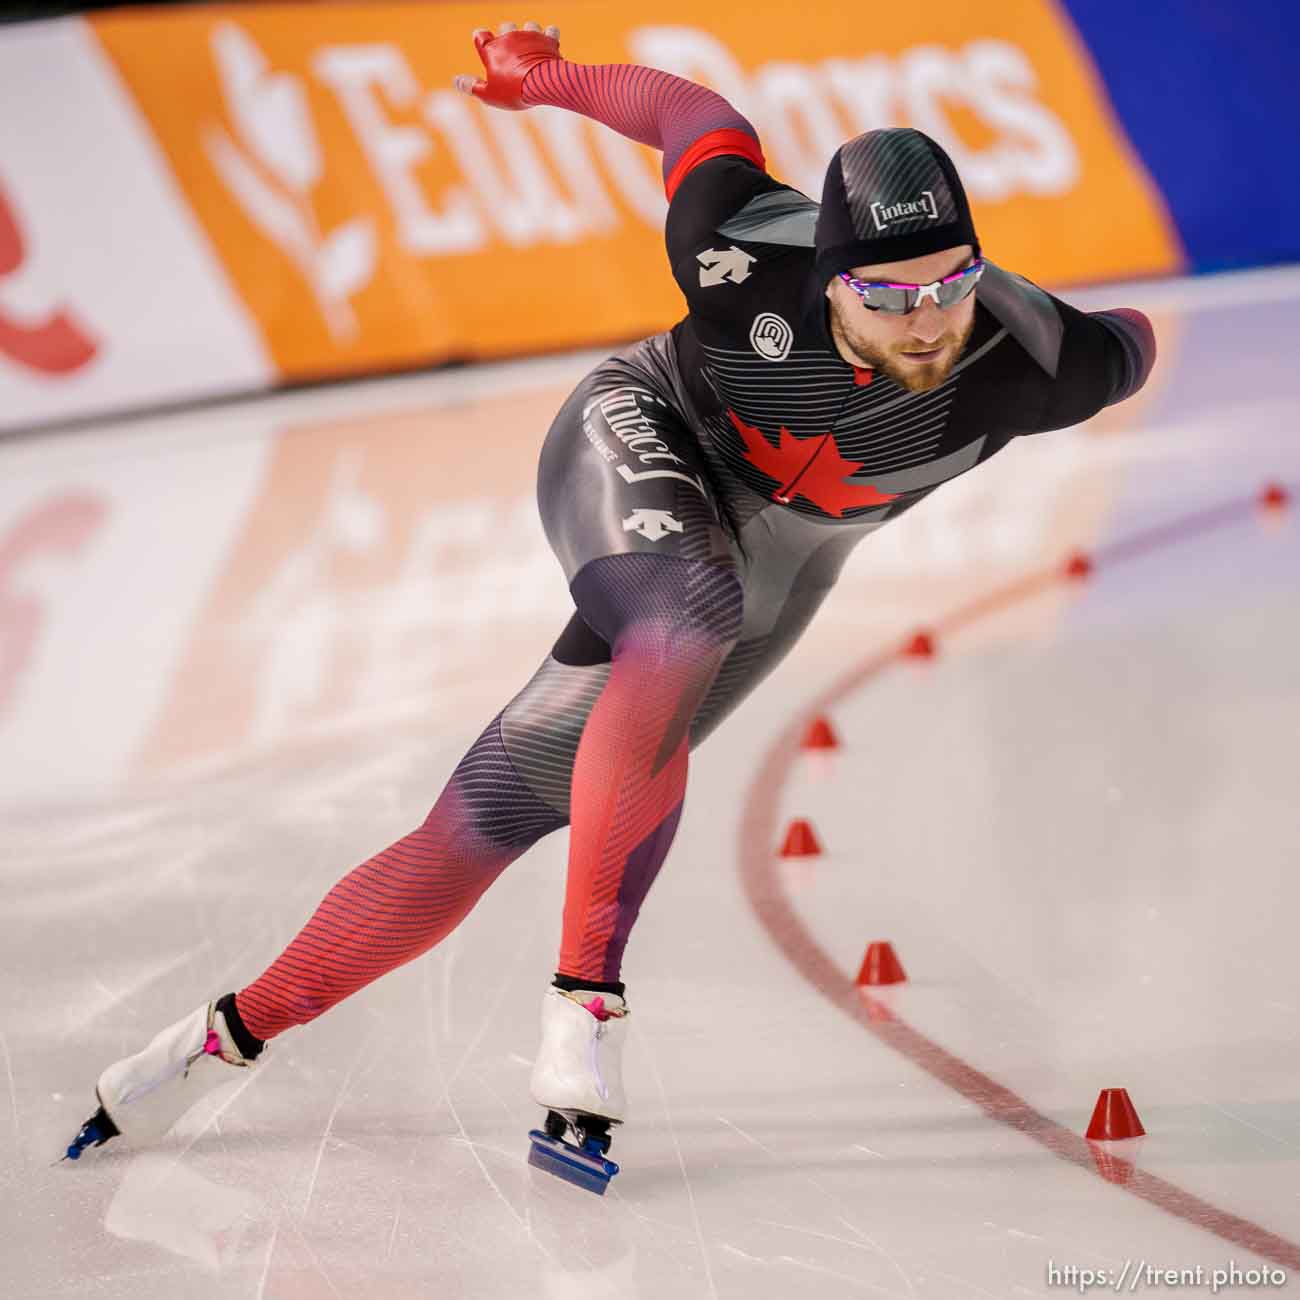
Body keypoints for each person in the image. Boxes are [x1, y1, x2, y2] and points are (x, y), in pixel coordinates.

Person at [67, 20, 1155, 1185]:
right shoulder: (737, 242)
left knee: (489, 819)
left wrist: (1045, 314)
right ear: (830, 278)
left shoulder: (1044, 367)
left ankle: (219, 1037)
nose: (928, 320)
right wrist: (547, 82)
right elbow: (688, 115)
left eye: (949, 283)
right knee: (686, 609)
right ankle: (586, 1005)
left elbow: (1130, 342)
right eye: (889, 293)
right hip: (643, 430)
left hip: (786, 558)